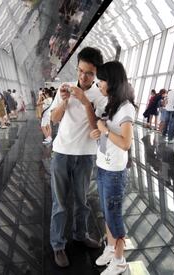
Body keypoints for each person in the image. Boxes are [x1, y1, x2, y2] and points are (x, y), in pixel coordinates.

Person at [49, 47, 107, 267]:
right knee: (60, 203)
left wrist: (85, 101)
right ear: (77, 68)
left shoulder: (100, 96)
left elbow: (96, 127)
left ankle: (80, 235)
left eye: (89, 73)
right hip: (62, 153)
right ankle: (58, 245)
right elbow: (54, 119)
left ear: (96, 74)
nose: (83, 76)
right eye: (81, 71)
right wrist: (64, 101)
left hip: (85, 155)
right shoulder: (65, 90)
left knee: (82, 202)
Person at [89, 61, 135, 275]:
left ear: (112, 81)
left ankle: (119, 260)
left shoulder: (126, 107)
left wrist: (104, 130)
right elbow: (108, 130)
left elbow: (126, 143)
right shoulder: (112, 103)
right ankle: (109, 248)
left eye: (101, 81)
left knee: (114, 215)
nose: (98, 85)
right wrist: (98, 133)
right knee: (107, 213)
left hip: (114, 171)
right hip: (102, 166)